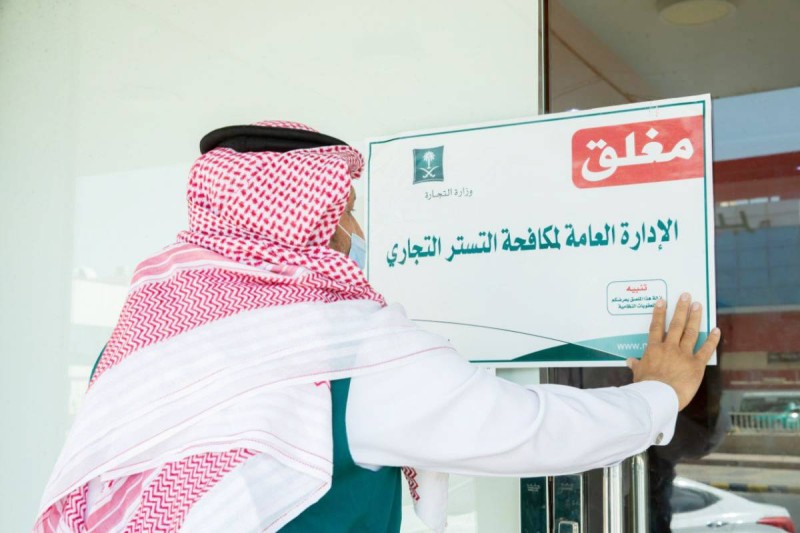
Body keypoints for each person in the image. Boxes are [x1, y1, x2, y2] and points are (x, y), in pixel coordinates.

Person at [34, 121, 720, 533]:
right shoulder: (342, 345)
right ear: (308, 218)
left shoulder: (136, 343)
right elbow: (525, 428)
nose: (357, 229)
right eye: (347, 209)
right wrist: (658, 396)